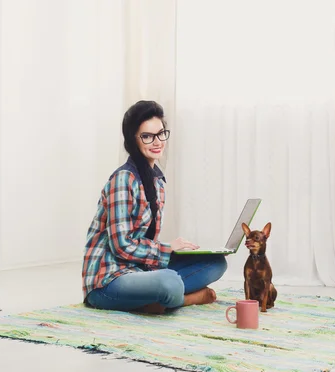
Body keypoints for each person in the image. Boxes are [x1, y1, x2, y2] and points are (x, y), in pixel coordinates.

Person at [82, 100, 228, 314]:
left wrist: (173, 254)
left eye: (161, 134)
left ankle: (155, 300)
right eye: (147, 136)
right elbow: (120, 246)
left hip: (140, 271)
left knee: (216, 263)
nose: (157, 142)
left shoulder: (157, 181)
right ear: (133, 140)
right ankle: (182, 298)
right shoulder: (122, 180)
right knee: (169, 282)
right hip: (108, 281)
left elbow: (144, 241)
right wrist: (167, 248)